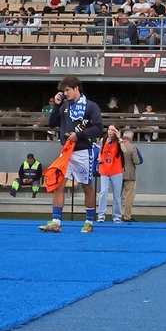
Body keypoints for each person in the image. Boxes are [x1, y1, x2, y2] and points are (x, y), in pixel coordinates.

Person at [39, 75, 103, 233]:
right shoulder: (64, 106)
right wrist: (56, 105)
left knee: (86, 186)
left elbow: (99, 129)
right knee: (58, 184)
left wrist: (79, 135)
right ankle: (56, 221)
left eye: (67, 90)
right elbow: (52, 123)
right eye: (63, 91)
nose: (65, 93)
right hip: (66, 151)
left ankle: (89, 222)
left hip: (82, 151)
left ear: (76, 89)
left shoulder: (90, 106)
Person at [96, 125, 124, 222]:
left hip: (116, 170)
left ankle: (117, 216)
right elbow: (100, 152)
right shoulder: (103, 140)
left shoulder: (119, 142)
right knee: (103, 192)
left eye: (113, 130)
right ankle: (101, 215)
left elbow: (125, 150)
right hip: (104, 169)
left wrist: (119, 138)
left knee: (117, 195)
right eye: (109, 129)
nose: (110, 131)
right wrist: (99, 157)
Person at [120, 129, 143, 221]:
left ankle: (117, 215)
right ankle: (127, 216)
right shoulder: (132, 147)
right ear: (131, 138)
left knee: (117, 196)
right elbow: (137, 161)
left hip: (117, 173)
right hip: (129, 174)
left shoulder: (118, 146)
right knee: (128, 196)